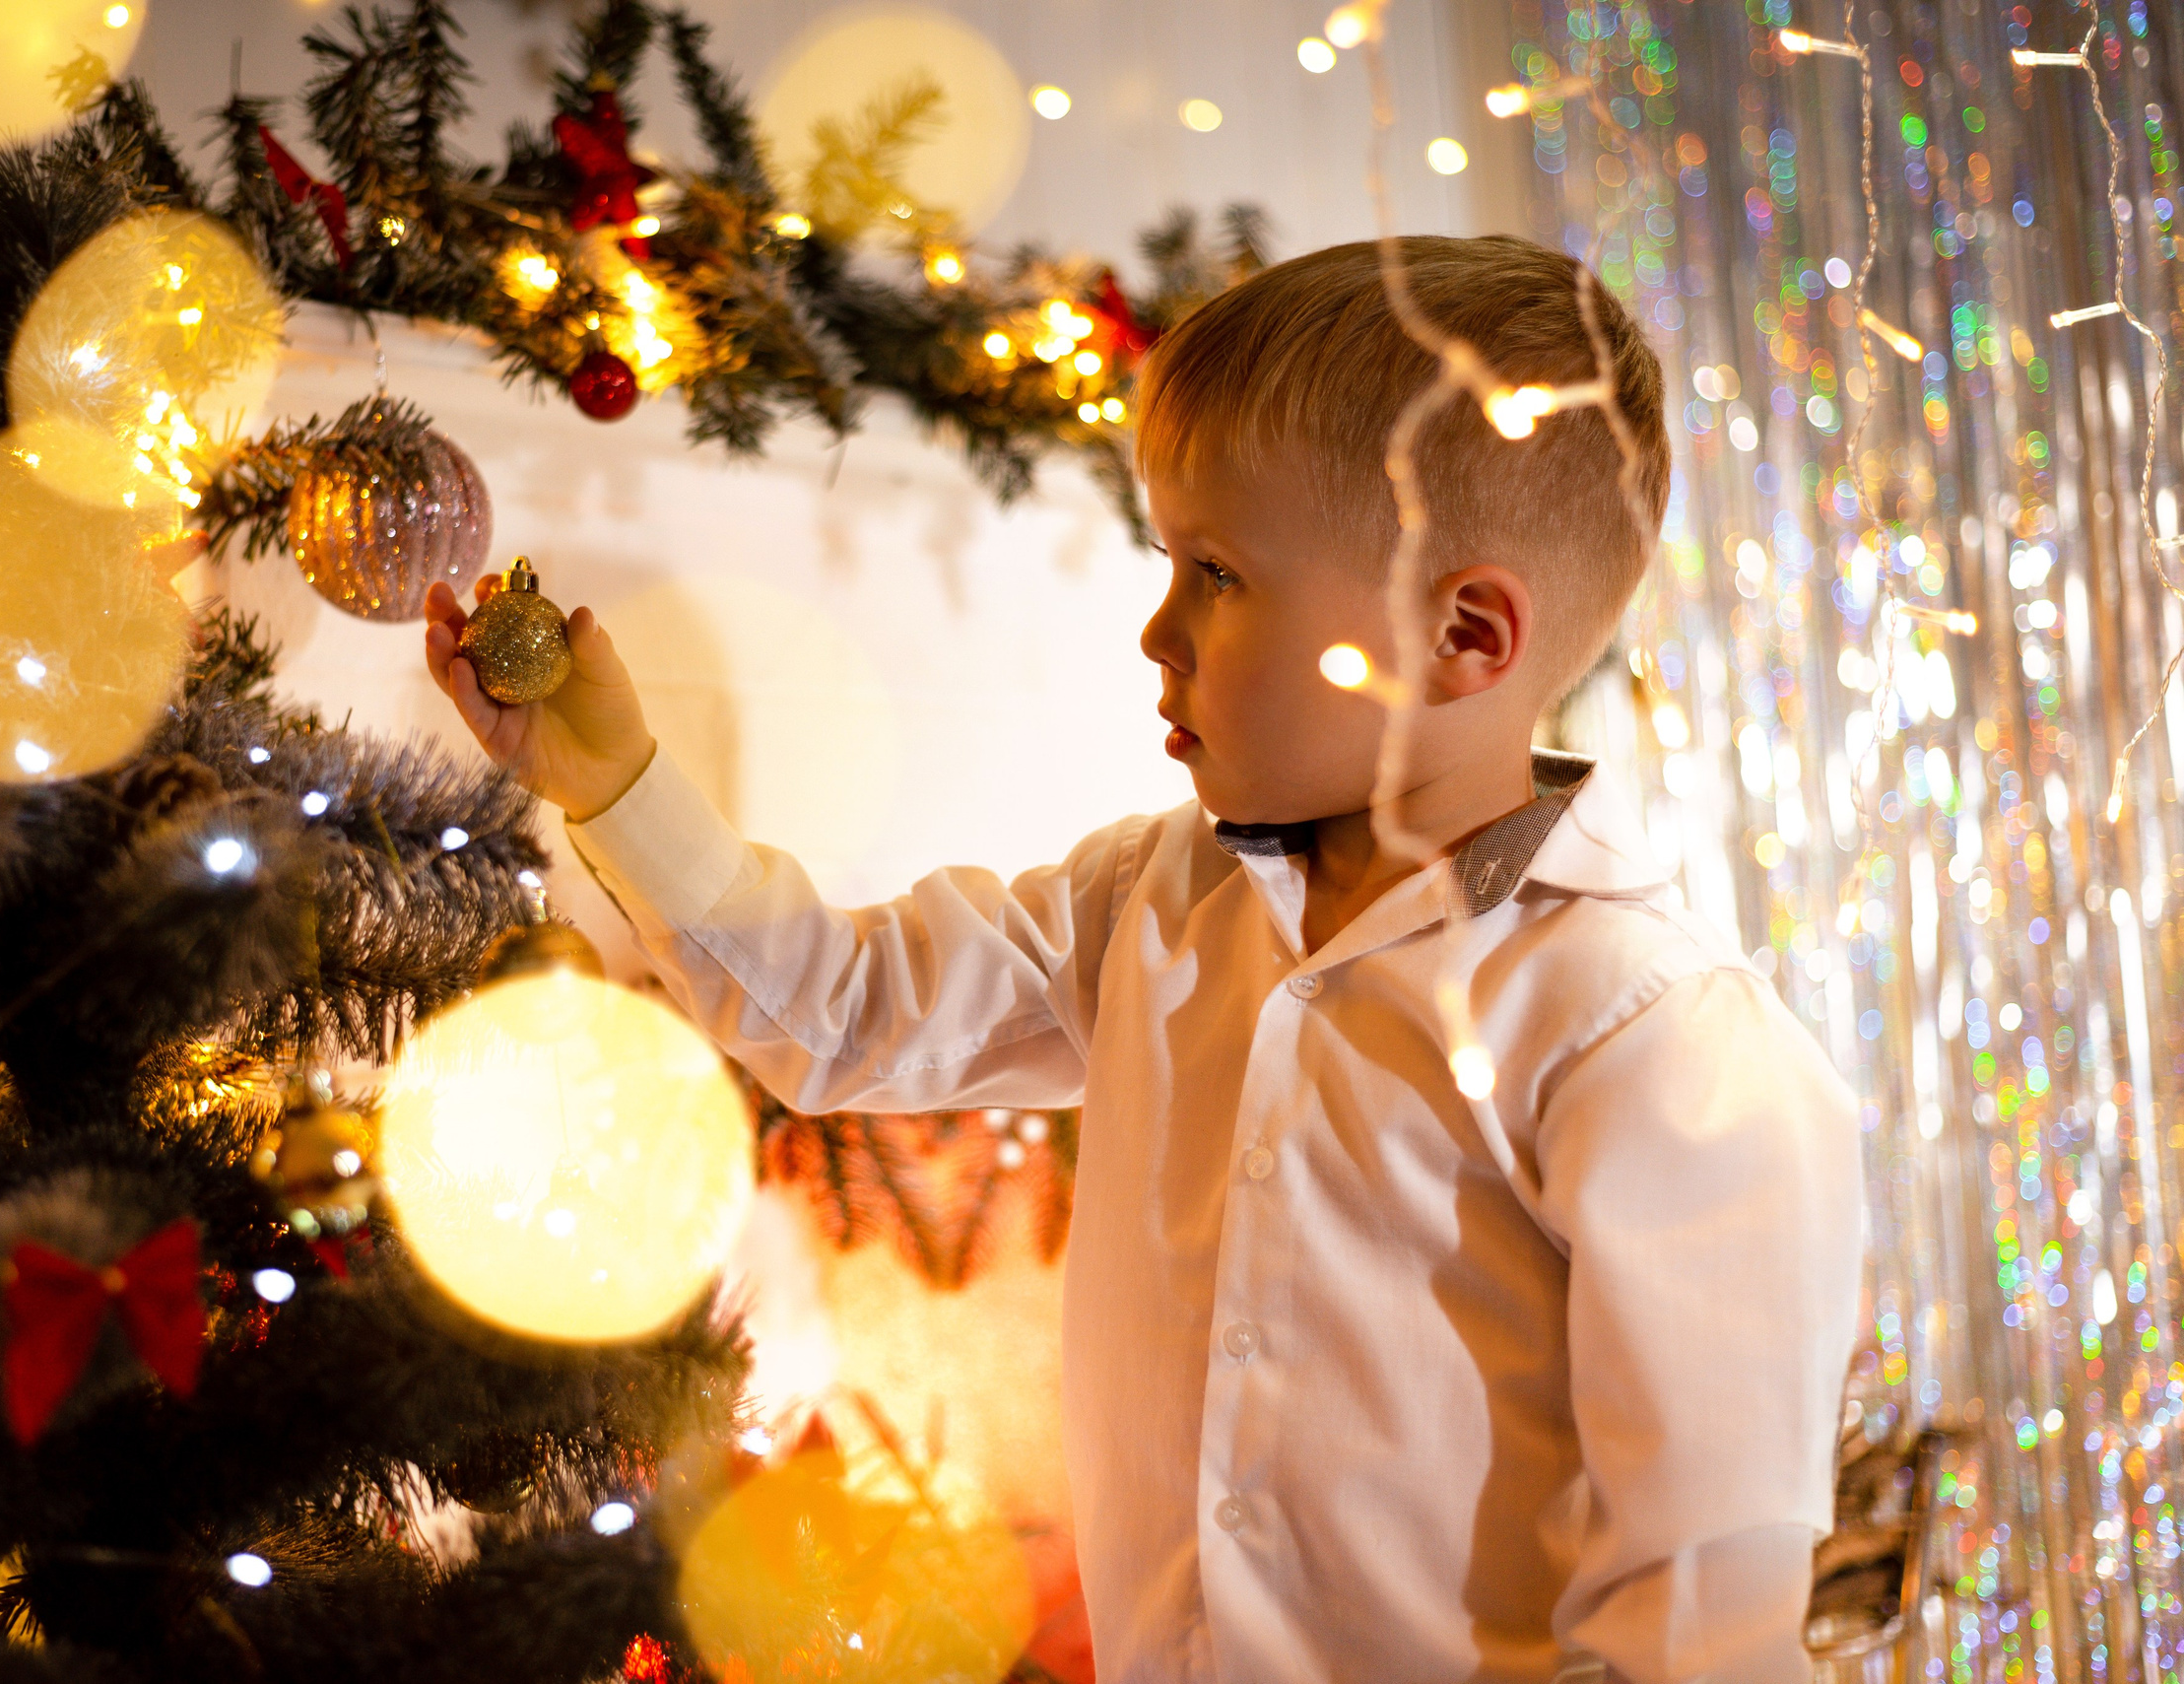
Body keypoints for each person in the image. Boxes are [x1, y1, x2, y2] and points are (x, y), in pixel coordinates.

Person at [424, 235, 1863, 1684]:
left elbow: (1693, 1617)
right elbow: (842, 1013)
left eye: (1218, 575)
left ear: (1464, 635)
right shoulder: (1156, 899)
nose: (1156, 630)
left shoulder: (1651, 1039)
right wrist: (614, 781)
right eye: (1169, 562)